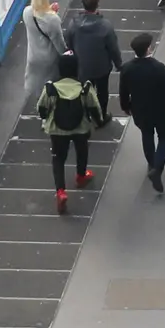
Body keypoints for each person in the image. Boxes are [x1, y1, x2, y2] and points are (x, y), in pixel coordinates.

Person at [35, 53, 110, 211]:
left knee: (58, 159)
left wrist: (46, 117)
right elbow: (95, 108)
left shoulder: (50, 87)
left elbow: (41, 109)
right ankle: (81, 176)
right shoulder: (85, 87)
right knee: (82, 150)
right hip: (80, 128)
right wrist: (99, 122)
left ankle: (61, 192)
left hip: (57, 130)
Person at [117, 33, 165, 193]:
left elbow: (123, 91)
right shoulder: (159, 67)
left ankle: (151, 163)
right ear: (148, 48)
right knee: (164, 137)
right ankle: (158, 167)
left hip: (140, 110)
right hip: (160, 110)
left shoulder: (127, 69)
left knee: (147, 134)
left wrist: (126, 106)